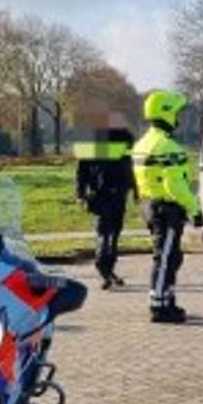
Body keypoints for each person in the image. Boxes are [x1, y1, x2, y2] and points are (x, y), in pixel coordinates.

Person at [132, 90, 201, 324]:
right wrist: (195, 209)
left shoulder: (142, 143)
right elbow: (175, 186)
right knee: (165, 258)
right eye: (177, 113)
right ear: (167, 113)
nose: (179, 118)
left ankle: (167, 299)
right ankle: (160, 306)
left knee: (170, 257)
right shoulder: (168, 147)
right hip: (167, 208)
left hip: (150, 205)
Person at [74, 114, 136, 290]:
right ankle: (104, 269)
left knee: (109, 233)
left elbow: (82, 172)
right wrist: (80, 193)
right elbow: (82, 172)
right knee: (109, 233)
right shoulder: (113, 144)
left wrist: (80, 193)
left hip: (110, 194)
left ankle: (107, 270)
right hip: (108, 194)